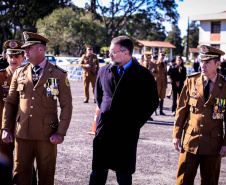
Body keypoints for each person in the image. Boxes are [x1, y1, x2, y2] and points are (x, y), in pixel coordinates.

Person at [1, 32, 73, 185]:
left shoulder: (59, 74)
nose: (25, 51)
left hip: (46, 135)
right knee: (20, 176)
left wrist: (61, 132)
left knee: (46, 175)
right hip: (22, 134)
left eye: (29, 48)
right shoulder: (19, 73)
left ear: (41, 50)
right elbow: (10, 103)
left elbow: (67, 105)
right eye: (25, 48)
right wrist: (5, 128)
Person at [89, 36, 159, 185]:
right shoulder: (104, 71)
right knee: (98, 173)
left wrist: (136, 122)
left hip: (127, 132)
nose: (109, 55)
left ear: (126, 53)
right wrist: (106, 113)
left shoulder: (143, 75)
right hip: (104, 130)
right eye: (109, 51)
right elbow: (99, 97)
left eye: (113, 52)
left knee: (124, 174)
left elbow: (151, 102)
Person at [172, 45, 226, 185]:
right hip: (191, 140)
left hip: (213, 144)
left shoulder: (224, 86)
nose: (203, 65)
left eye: (207, 62)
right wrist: (177, 135)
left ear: (218, 64)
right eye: (202, 61)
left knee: (209, 181)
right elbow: (181, 110)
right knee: (183, 180)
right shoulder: (191, 81)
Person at [0, 40, 25, 185]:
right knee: (5, 163)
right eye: (10, 56)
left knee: (24, 164)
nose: (13, 59)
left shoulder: (29, 76)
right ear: (6, 57)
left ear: (23, 58)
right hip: (4, 126)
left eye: (17, 56)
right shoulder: (1, 76)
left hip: (23, 126)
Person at [155, 51, 167, 115]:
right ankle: (154, 111)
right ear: (159, 56)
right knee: (156, 97)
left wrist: (166, 84)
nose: (162, 57)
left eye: (163, 56)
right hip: (157, 83)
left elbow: (165, 74)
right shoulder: (156, 63)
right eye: (161, 56)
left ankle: (161, 110)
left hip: (163, 83)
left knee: (162, 97)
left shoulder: (165, 64)